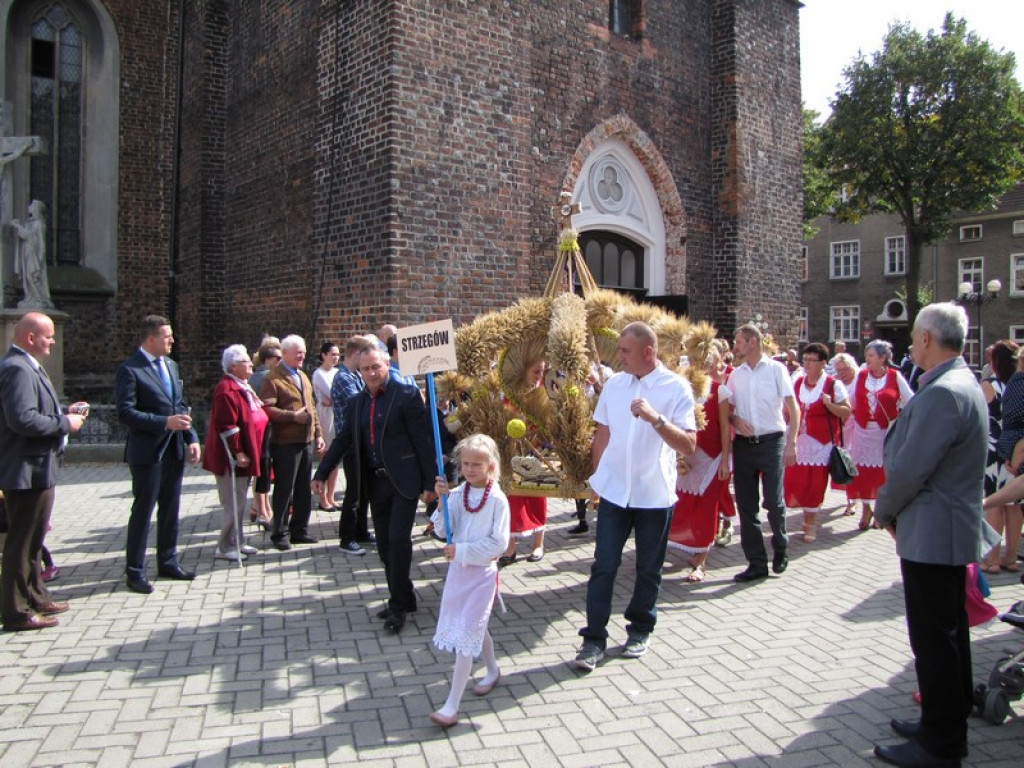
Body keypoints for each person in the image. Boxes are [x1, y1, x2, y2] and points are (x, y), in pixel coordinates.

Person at [872, 303, 988, 768]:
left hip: (934, 529)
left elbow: (911, 468)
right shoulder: (959, 381)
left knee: (934, 638)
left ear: (925, 339)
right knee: (948, 632)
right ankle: (946, 719)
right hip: (943, 527)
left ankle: (941, 743)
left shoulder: (944, 391)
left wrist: (883, 508)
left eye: (915, 336)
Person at [572, 322, 697, 671]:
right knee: (604, 565)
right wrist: (597, 480)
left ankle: (640, 628)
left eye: (625, 351)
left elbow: (689, 445)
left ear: (648, 352)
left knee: (648, 568)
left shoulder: (676, 388)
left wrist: (656, 420)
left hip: (653, 493)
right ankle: (593, 640)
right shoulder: (614, 385)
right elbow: (602, 434)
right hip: (614, 491)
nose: (620, 357)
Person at [313, 345, 437, 633]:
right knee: (383, 546)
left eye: (376, 367)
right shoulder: (357, 403)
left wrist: (430, 484)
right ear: (359, 369)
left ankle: (397, 606)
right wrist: (321, 472)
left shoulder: (405, 396)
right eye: (366, 368)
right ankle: (405, 596)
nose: (371, 373)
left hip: (404, 482)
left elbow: (422, 440)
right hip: (374, 483)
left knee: (397, 540)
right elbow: (343, 440)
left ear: (386, 366)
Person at [0, 313, 85, 631]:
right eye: (48, 336)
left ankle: (36, 595)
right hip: (26, 469)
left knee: (34, 541)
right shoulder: (17, 368)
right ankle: (16, 612)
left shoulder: (26, 366)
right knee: (20, 544)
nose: (53, 341)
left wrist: (62, 414)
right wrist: (66, 423)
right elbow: (22, 419)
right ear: (30, 337)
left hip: (38, 467)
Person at [428, 434, 510, 727]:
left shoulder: (498, 500)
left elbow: (499, 544)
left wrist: (460, 550)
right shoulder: (460, 493)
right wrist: (442, 502)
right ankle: (493, 670)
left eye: (477, 464)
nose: (470, 469)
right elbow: (442, 530)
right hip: (458, 573)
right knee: (476, 626)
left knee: (466, 636)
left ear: (491, 466)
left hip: (482, 575)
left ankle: (451, 705)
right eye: (465, 464)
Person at [115, 315, 201, 594]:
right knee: (143, 511)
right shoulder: (131, 369)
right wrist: (163, 423)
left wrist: (191, 436)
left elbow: (180, 404)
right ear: (151, 338)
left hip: (174, 450)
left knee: (170, 509)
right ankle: (135, 571)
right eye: (167, 336)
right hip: (148, 453)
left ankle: (167, 561)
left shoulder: (172, 365)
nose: (172, 341)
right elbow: (126, 413)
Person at [718, 324, 800, 583]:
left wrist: (792, 442)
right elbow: (726, 410)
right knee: (746, 505)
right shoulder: (736, 375)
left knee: (774, 502)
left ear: (752, 342)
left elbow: (793, 408)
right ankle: (756, 562)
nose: (735, 345)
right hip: (744, 445)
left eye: (739, 341)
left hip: (772, 441)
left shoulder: (776, 369)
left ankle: (781, 546)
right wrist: (734, 418)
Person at [201, 345, 269, 562]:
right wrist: (238, 451)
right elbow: (227, 425)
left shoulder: (243, 386)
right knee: (232, 502)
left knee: (240, 500)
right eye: (246, 361)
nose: (251, 364)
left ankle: (238, 540)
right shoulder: (226, 389)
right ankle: (224, 545)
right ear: (233, 366)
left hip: (249, 453)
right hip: (230, 458)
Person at [668, 347, 729, 583]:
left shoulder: (719, 390)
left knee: (706, 506)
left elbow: (725, 427)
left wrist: (725, 460)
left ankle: (701, 560)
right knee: (681, 502)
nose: (698, 365)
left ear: (713, 364)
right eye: (695, 360)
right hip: (686, 453)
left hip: (711, 456)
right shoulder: (683, 387)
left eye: (704, 361)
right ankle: (682, 545)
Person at [259, 334, 325, 551]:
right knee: (284, 489)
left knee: (303, 489)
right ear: (284, 353)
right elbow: (267, 409)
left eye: (304, 352)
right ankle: (279, 532)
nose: (301, 356)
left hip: (304, 441)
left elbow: (312, 408)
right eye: (297, 352)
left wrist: (318, 434)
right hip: (285, 443)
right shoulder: (272, 378)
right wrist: (293, 417)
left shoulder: (303, 376)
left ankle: (300, 530)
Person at [783, 342, 850, 544]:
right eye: (805, 359)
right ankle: (805, 516)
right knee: (796, 481)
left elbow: (846, 412)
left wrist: (830, 405)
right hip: (798, 440)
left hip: (821, 443)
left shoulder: (832, 384)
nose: (808, 364)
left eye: (812, 360)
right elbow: (787, 410)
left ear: (823, 363)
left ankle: (810, 522)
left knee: (815, 484)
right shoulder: (797, 382)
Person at [846, 340, 913, 531]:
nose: (867, 359)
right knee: (863, 472)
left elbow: (911, 401)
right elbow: (850, 401)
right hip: (862, 431)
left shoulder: (895, 376)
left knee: (883, 472)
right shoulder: (861, 375)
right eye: (866, 355)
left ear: (883, 358)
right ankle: (866, 509)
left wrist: (902, 420)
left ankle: (881, 511)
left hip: (885, 431)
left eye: (871, 356)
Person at [500, 356, 549, 565]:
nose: (539, 376)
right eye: (536, 372)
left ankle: (538, 544)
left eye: (542, 372)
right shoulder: (511, 392)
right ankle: (509, 548)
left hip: (536, 449)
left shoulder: (544, 391)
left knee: (537, 494)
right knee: (511, 496)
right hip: (512, 449)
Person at [330, 335, 376, 554]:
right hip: (350, 443)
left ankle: (360, 530)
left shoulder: (356, 375)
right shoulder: (342, 378)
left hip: (363, 441)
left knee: (364, 490)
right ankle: (346, 537)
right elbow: (360, 402)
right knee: (354, 493)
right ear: (356, 354)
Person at [980, 340, 1021, 574]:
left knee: (994, 502)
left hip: (994, 449)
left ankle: (992, 559)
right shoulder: (1019, 384)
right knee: (1015, 504)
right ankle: (1011, 557)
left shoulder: (989, 385)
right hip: (1016, 449)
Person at [247, 337, 281, 530]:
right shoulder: (266, 377)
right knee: (263, 469)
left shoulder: (255, 376)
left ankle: (257, 507)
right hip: (264, 429)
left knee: (262, 469)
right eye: (277, 357)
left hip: (259, 429)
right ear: (267, 359)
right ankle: (262, 510)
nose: (280, 361)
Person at [9, 200, 54, 309]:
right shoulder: (30, 223)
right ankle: (30, 297)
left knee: (33, 276)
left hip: (33, 254)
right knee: (27, 276)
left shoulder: (39, 224)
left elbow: (37, 240)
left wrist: (17, 225)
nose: (29, 206)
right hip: (26, 251)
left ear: (36, 209)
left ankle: (39, 298)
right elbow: (24, 236)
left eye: (32, 205)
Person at [312, 342, 340, 512]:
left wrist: (334, 400)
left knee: (335, 459)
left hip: (336, 415)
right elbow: (333, 393)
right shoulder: (319, 373)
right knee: (326, 458)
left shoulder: (337, 372)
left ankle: (331, 496)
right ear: (323, 355)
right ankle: (322, 498)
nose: (336, 358)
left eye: (337, 355)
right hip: (325, 416)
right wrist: (334, 400)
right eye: (332, 354)